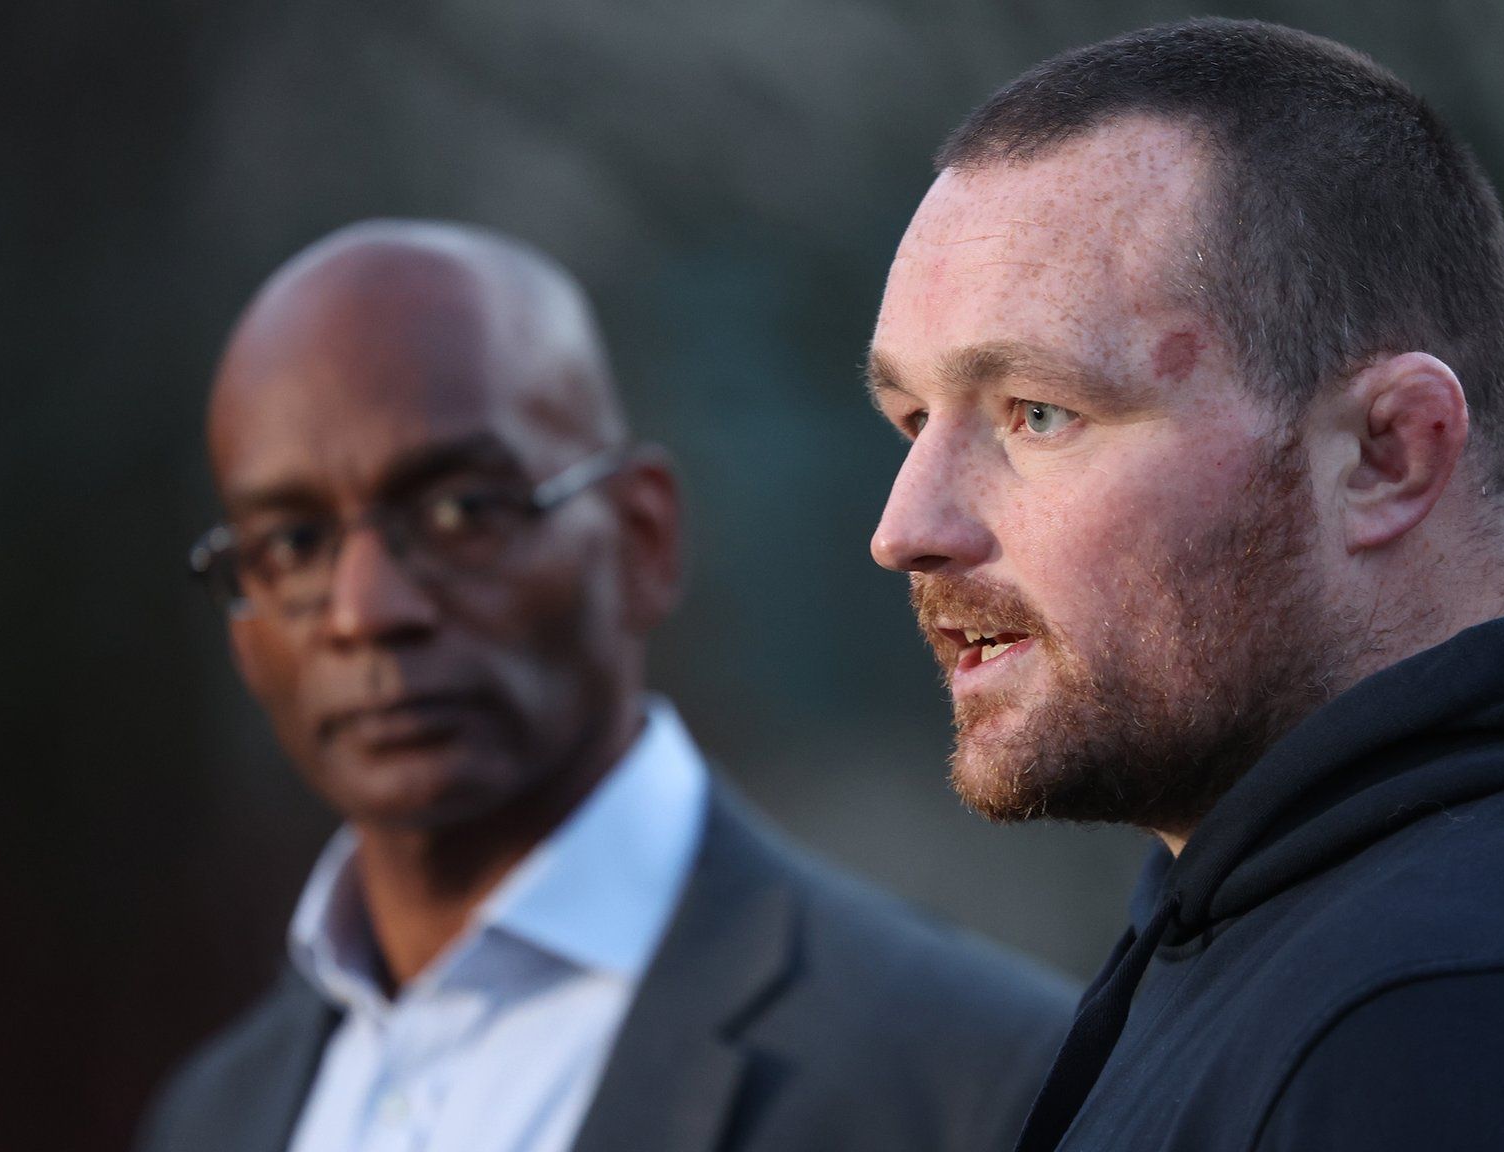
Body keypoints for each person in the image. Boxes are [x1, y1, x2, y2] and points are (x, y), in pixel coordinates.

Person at [866, 18, 1504, 1151]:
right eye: (914, 420)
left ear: (1388, 453)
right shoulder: (1320, 934)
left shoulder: (1502, 1017)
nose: (904, 528)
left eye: (1038, 411)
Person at [139, 219, 1075, 1152]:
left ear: (642, 537)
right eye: (294, 545)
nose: (368, 609)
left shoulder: (981, 1084)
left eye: (461, 510)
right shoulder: (210, 1117)